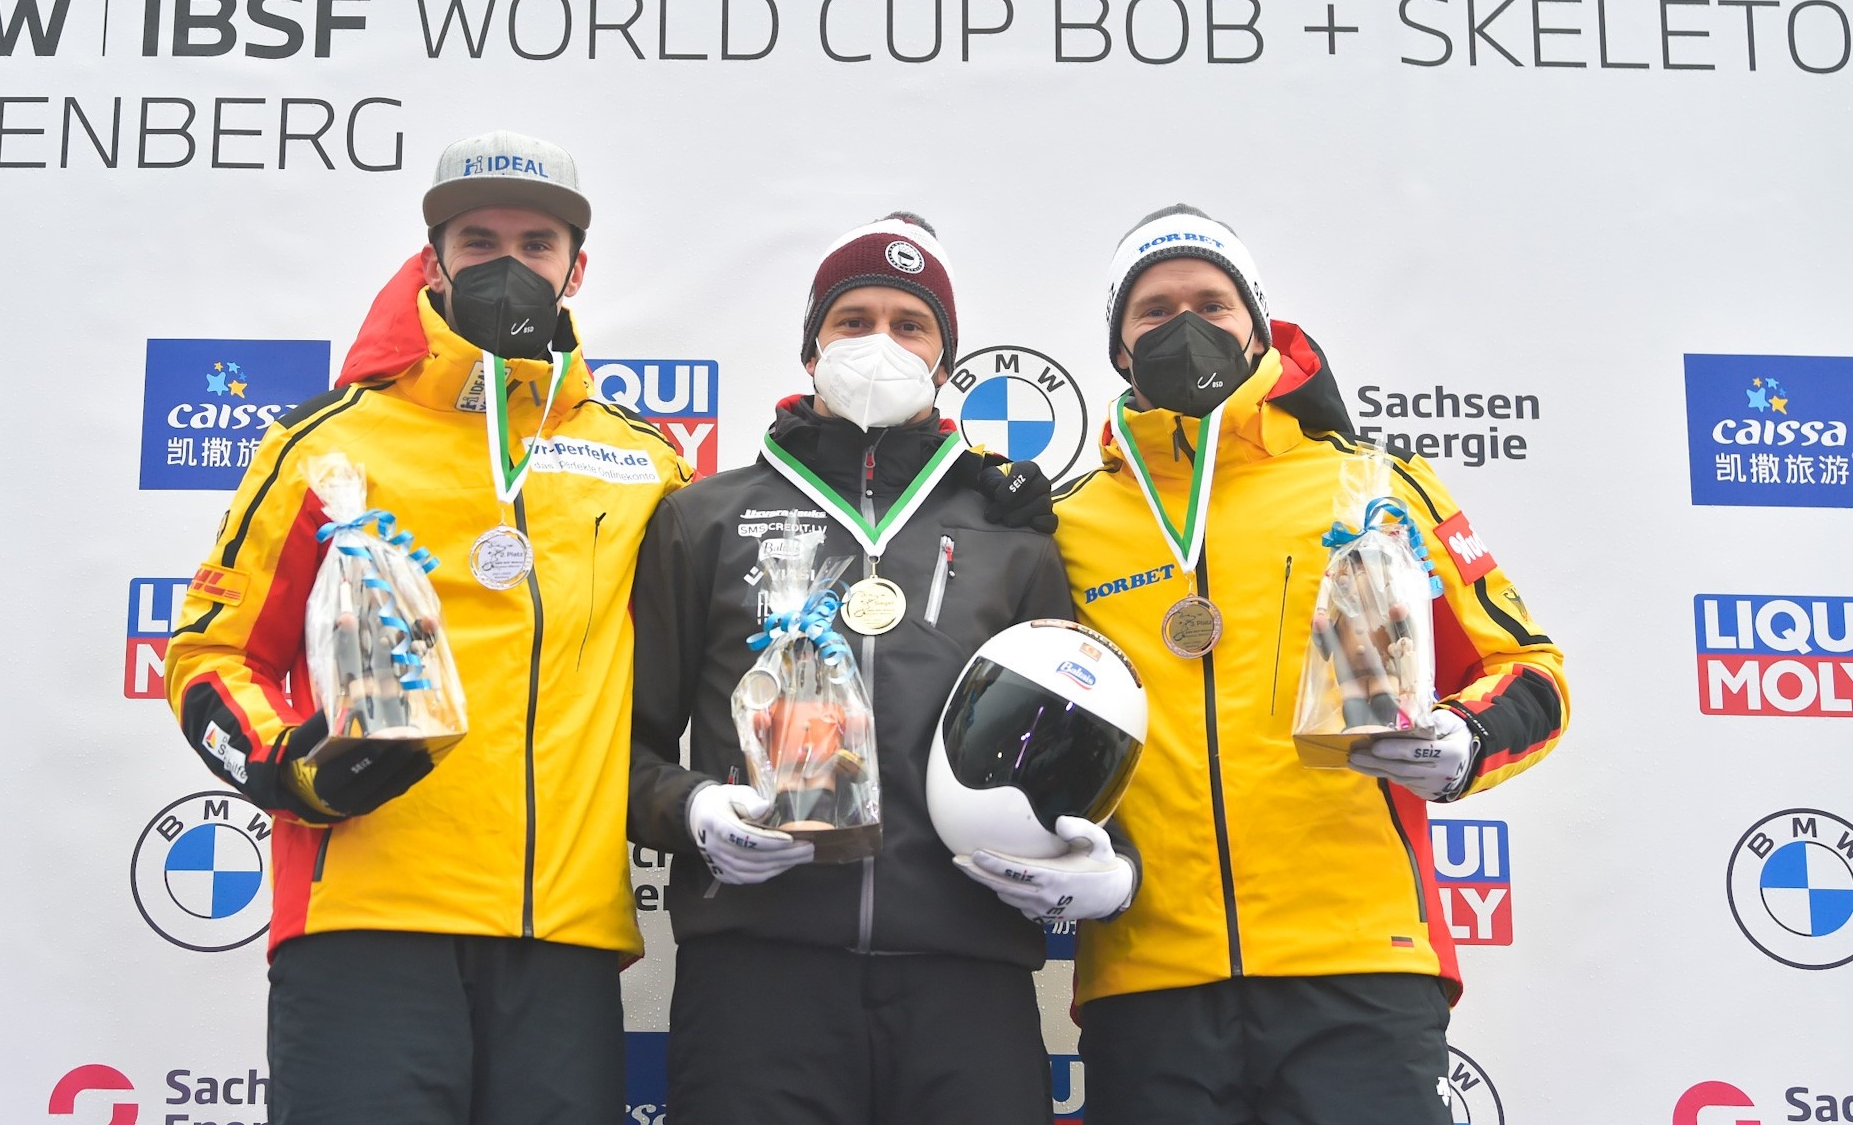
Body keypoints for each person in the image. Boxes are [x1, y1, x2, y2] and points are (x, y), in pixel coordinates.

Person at [161, 130, 693, 1125]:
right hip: (368, 922)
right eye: (476, 239)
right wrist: (289, 766)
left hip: (561, 937)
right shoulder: (326, 441)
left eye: (535, 244)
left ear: (576, 267)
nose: (507, 264)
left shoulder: (644, 461)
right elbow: (210, 654)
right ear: (433, 257)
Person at [1050, 205, 1569, 1124]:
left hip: (1359, 968)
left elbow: (1529, 670)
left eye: (1212, 302)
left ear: (1256, 324)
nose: (1185, 325)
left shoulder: (1370, 484)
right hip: (1148, 975)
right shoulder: (1070, 524)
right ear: (1119, 350)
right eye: (1153, 309)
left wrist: (1469, 739)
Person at [626, 213, 1131, 1124]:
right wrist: (691, 810)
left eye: (910, 324)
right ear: (810, 345)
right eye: (852, 320)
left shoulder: (1009, 537)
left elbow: (1079, 738)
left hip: (966, 980)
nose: (879, 343)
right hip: (756, 980)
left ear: (945, 360)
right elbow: (621, 741)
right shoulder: (700, 519)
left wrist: (1108, 862)